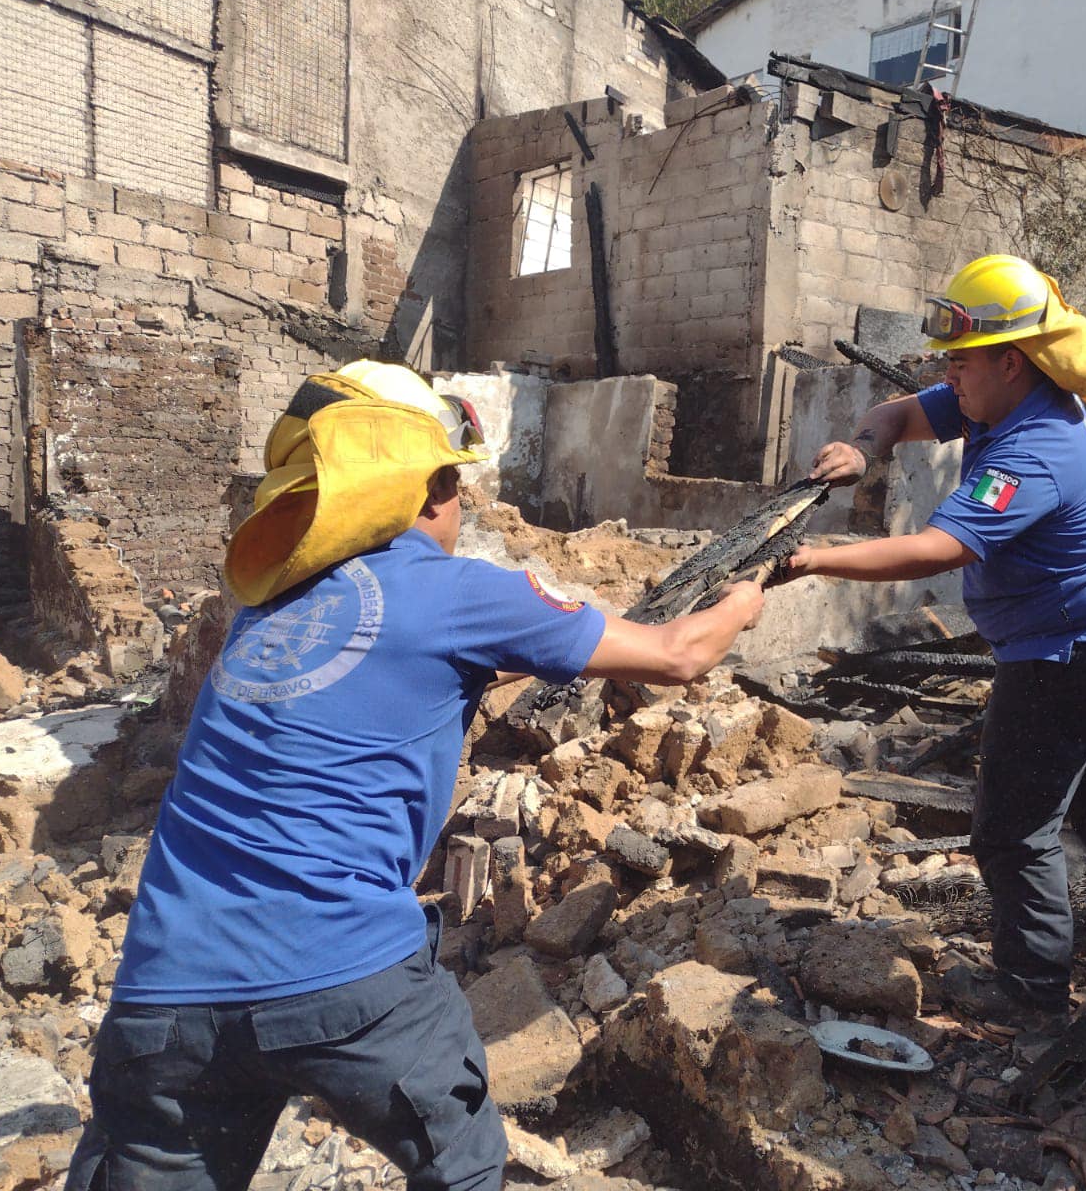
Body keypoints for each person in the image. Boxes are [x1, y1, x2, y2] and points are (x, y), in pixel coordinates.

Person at [65, 361, 766, 1191]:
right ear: (430, 491)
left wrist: (518, 659)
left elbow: (399, 672)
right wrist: (747, 601)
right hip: (348, 972)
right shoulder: (460, 591)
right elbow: (679, 654)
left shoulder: (266, 604)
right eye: (456, 491)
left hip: (164, 989)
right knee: (464, 1164)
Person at [793, 254, 1086, 1030]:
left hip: (1065, 654)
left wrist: (814, 562)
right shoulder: (999, 399)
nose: (951, 374)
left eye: (961, 360)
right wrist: (861, 447)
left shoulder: (1036, 445)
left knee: (1013, 827)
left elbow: (942, 548)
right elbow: (904, 412)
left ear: (1012, 360)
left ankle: (1032, 990)